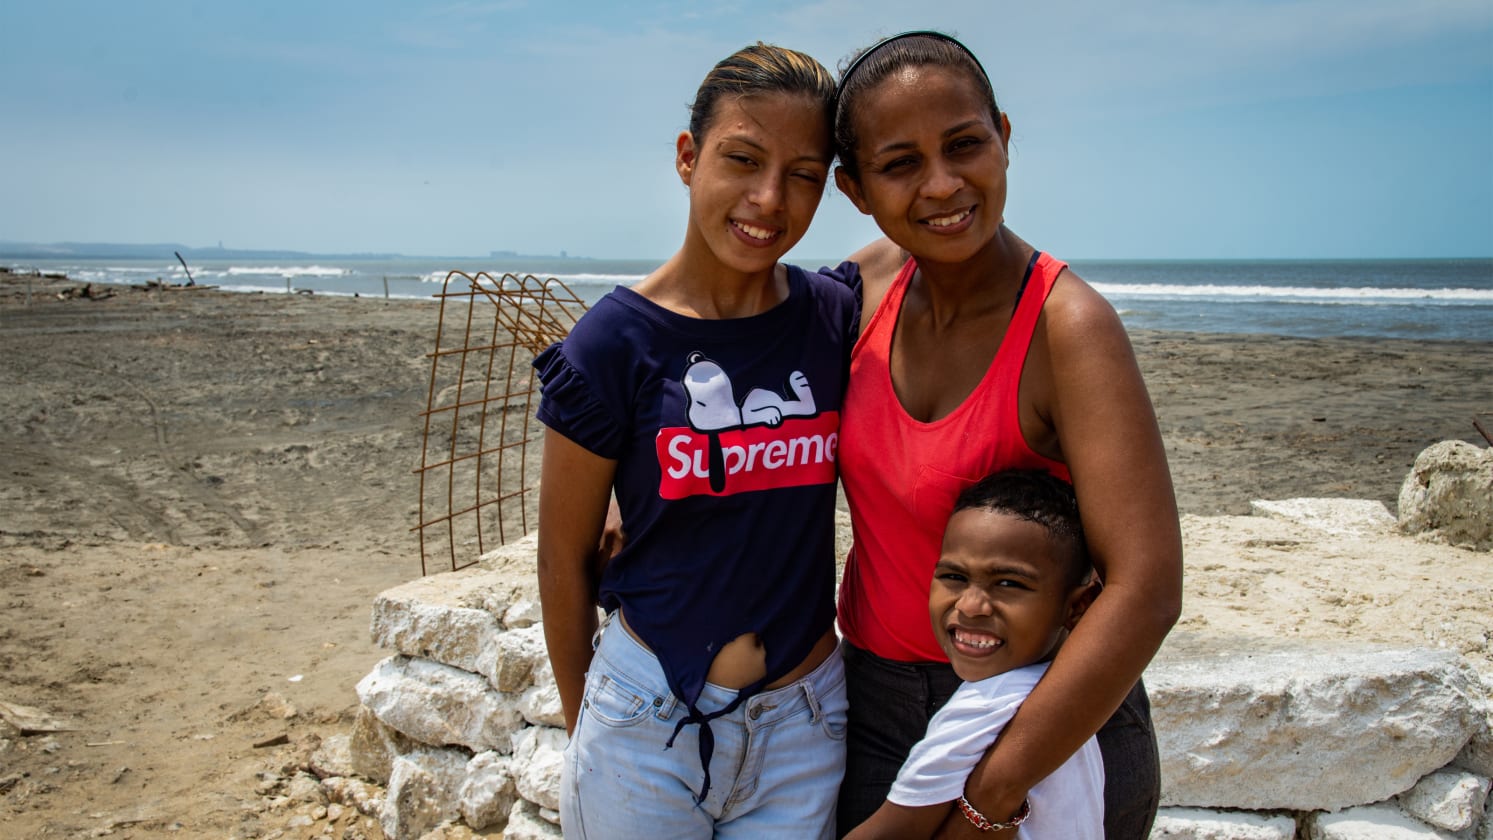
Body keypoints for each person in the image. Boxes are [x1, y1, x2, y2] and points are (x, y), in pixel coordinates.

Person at [828, 31, 1184, 839]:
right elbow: (738, 374)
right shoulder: (862, 291)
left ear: (1005, 138)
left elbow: (1147, 588)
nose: (943, 184)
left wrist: (992, 791)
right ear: (854, 188)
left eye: (964, 145)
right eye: (900, 163)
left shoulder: (1069, 327)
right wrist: (637, 492)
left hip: (1043, 718)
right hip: (876, 707)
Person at [533, 43, 856, 839]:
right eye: (741, 159)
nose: (768, 198)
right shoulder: (612, 342)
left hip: (806, 728)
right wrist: (590, 731)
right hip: (644, 725)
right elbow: (563, 556)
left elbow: (932, 238)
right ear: (687, 157)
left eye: (804, 174)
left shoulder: (832, 317)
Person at [847, 469, 1104, 840]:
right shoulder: (1069, 694)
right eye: (954, 577)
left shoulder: (984, 707)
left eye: (1008, 584)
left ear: (1078, 606)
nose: (971, 606)